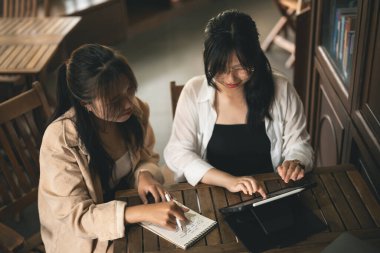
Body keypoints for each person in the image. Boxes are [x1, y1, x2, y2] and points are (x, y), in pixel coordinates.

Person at [38, 44, 187, 253]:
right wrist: (141, 213)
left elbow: (147, 156)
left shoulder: (135, 111)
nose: (128, 104)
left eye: (129, 90)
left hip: (129, 211)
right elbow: (77, 218)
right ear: (85, 103)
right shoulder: (60, 141)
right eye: (115, 100)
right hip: (84, 238)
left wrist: (143, 173)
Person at [164, 10, 313, 198]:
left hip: (270, 193)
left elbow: (299, 142)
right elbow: (178, 153)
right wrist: (229, 181)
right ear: (206, 59)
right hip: (213, 193)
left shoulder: (281, 89)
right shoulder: (193, 91)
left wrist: (296, 160)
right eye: (220, 68)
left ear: (255, 58)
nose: (230, 78)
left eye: (241, 67)